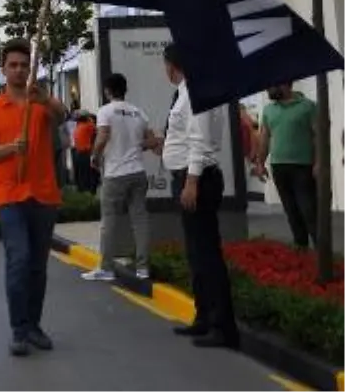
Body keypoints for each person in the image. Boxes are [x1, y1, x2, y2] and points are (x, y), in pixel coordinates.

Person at [0, 37, 65, 357]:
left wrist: (45, 99)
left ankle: (34, 326)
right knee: (19, 260)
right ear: (3, 70)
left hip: (43, 193)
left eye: (23, 66)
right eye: (12, 65)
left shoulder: (39, 104)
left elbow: (64, 115)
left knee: (38, 266)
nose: (17, 70)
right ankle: (18, 328)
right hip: (8, 194)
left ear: (31, 69)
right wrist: (12, 148)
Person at [162, 43, 239, 349]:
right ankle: (204, 317)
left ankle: (222, 326)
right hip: (190, 176)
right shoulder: (187, 92)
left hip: (198, 180)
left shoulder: (195, 92)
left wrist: (191, 181)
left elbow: (200, 140)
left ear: (172, 65)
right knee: (196, 253)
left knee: (207, 254)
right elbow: (186, 136)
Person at [84, 72, 155, 282]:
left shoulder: (106, 111)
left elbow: (103, 135)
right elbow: (151, 142)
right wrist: (135, 146)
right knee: (139, 220)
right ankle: (143, 268)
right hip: (138, 172)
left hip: (115, 173)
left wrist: (95, 156)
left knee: (109, 221)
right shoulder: (139, 113)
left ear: (107, 91)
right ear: (125, 90)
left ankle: (106, 267)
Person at [258, 81, 318, 249]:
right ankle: (301, 250)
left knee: (309, 211)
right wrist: (260, 163)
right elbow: (264, 138)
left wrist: (318, 163)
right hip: (279, 167)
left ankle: (323, 254)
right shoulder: (269, 110)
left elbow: (318, 136)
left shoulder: (308, 107)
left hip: (303, 167)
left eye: (272, 85)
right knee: (292, 212)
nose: (268, 88)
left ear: (285, 84)